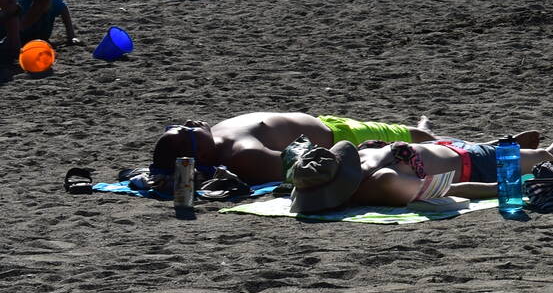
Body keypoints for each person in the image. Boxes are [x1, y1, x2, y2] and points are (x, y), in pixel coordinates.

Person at [287, 130, 553, 214]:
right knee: (547, 162)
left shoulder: (365, 166)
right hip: (472, 161)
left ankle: (544, 148)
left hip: (461, 151)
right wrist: (511, 189)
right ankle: (549, 149)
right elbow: (449, 191)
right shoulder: (382, 181)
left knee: (542, 156)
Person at [147, 113, 440, 189]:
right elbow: (303, 166)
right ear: (199, 155)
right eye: (186, 131)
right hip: (340, 135)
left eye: (178, 125)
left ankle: (423, 129)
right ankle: (426, 130)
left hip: (326, 122)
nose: (189, 122)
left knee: (418, 134)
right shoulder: (244, 155)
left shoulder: (214, 138)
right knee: (424, 138)